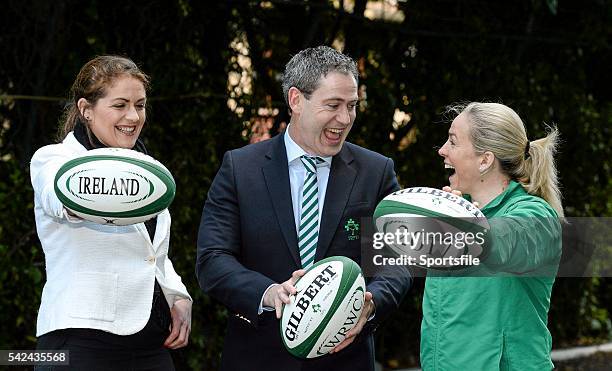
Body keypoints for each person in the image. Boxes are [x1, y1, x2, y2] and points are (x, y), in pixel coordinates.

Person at [196, 46, 411, 370]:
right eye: (333, 105)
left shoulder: (375, 171)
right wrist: (268, 293)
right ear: (296, 100)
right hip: (257, 356)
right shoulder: (241, 169)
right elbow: (213, 260)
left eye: (352, 106)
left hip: (345, 359)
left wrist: (370, 303)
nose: (345, 118)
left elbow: (396, 259)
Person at [30, 55, 192, 370]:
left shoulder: (149, 170)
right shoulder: (54, 160)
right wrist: (76, 197)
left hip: (150, 342)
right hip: (79, 339)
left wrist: (179, 296)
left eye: (140, 105)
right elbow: (59, 198)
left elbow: (153, 254)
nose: (133, 116)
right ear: (85, 109)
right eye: (119, 105)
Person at [420, 102, 563, 370]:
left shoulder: (535, 215)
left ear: (485, 160)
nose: (442, 150)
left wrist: (466, 223)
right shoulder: (455, 216)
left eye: (452, 142)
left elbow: (504, 242)